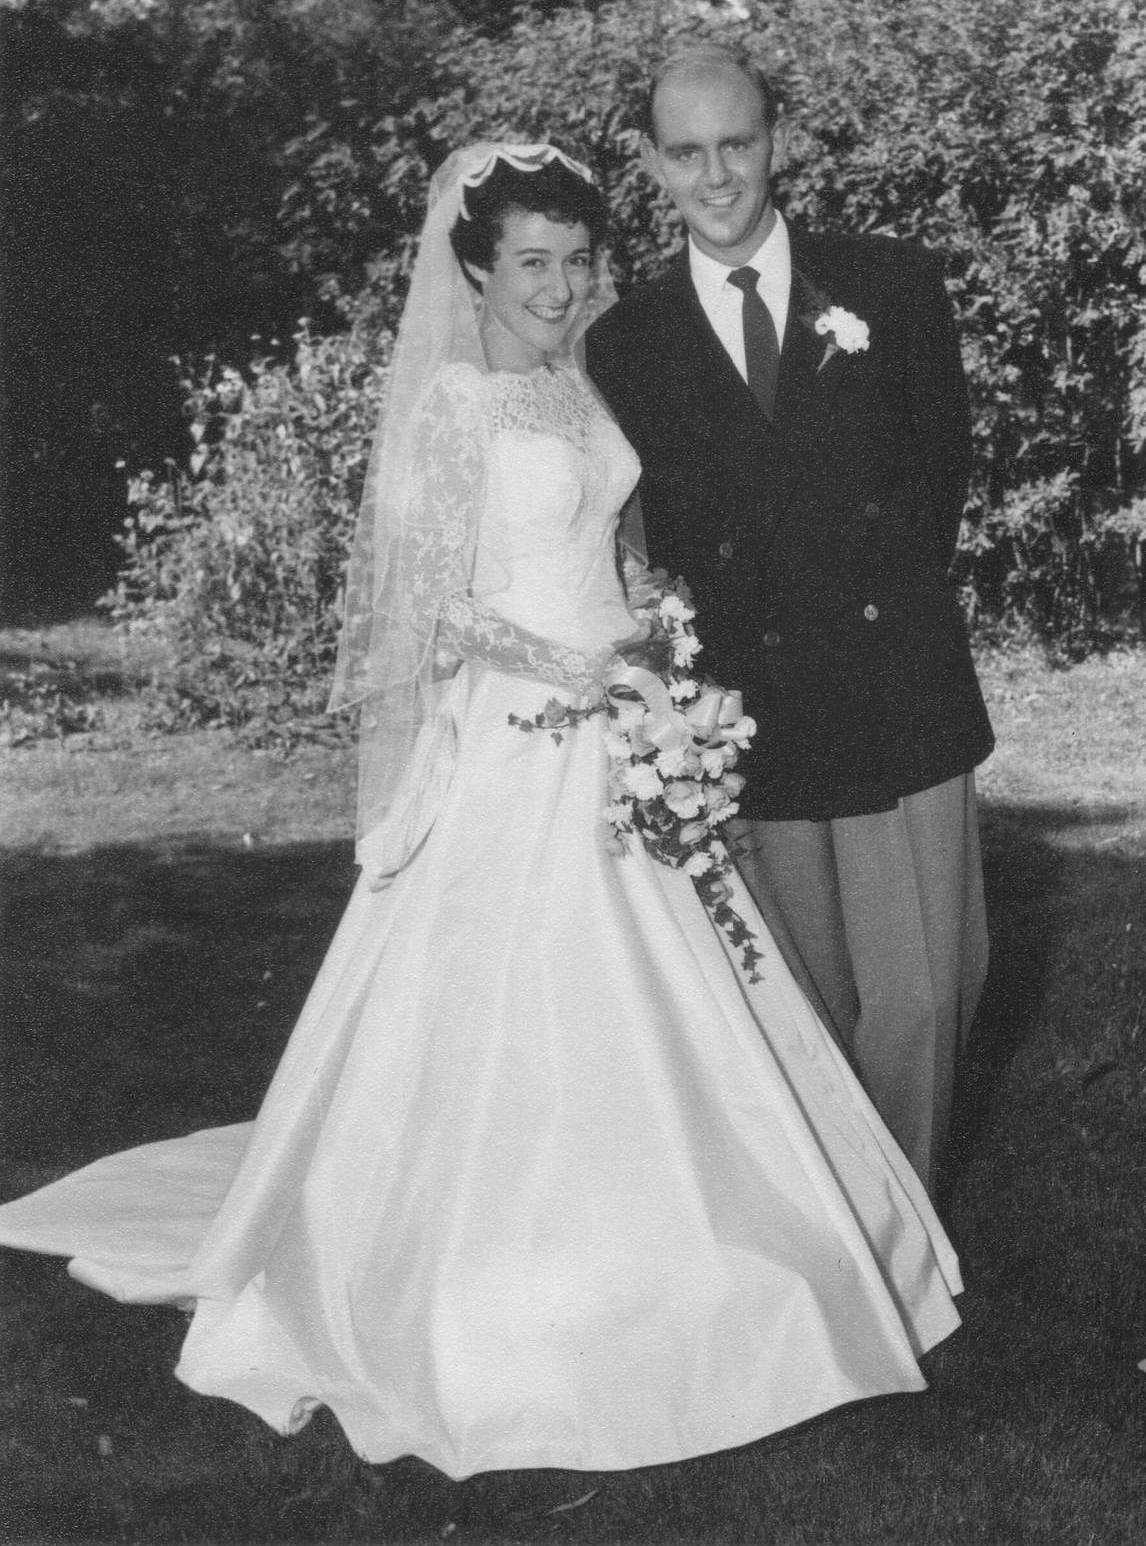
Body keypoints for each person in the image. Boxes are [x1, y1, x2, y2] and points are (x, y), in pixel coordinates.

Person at [0, 141, 962, 1480]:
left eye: (576, 261)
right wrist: (584, 669)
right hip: (526, 734)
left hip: (628, 723)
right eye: (532, 264)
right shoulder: (455, 406)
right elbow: (436, 604)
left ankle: (733, 1240)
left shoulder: (576, 387)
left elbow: (612, 543)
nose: (561, 286)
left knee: (697, 993)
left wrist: (654, 645)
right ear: (475, 270)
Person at [587, 44, 995, 1196]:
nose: (717, 176)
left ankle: (904, 1221)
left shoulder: (892, 283)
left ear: (780, 138)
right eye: (687, 153)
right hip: (754, 715)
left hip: (895, 683)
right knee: (807, 993)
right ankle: (843, 1226)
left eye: (738, 143)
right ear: (652, 163)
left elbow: (939, 478)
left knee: (926, 990)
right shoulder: (627, 339)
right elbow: (653, 537)